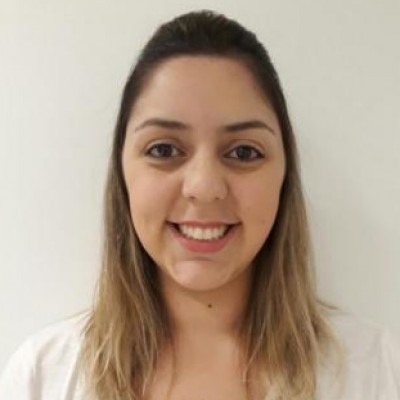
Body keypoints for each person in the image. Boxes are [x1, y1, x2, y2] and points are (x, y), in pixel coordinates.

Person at [1, 9, 399, 400]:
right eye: (163, 149)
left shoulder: (378, 370)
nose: (204, 187)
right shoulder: (41, 379)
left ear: (284, 175)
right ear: (122, 173)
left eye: (244, 152)